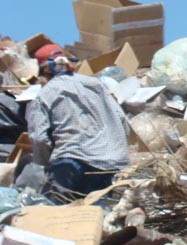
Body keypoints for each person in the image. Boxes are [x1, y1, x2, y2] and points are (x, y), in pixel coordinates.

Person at [26, 44, 130, 201]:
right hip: (111, 163)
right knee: (98, 212)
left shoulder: (45, 94)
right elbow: (121, 120)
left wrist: (45, 162)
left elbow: (39, 138)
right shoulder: (96, 84)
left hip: (71, 163)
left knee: (59, 211)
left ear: (46, 70)